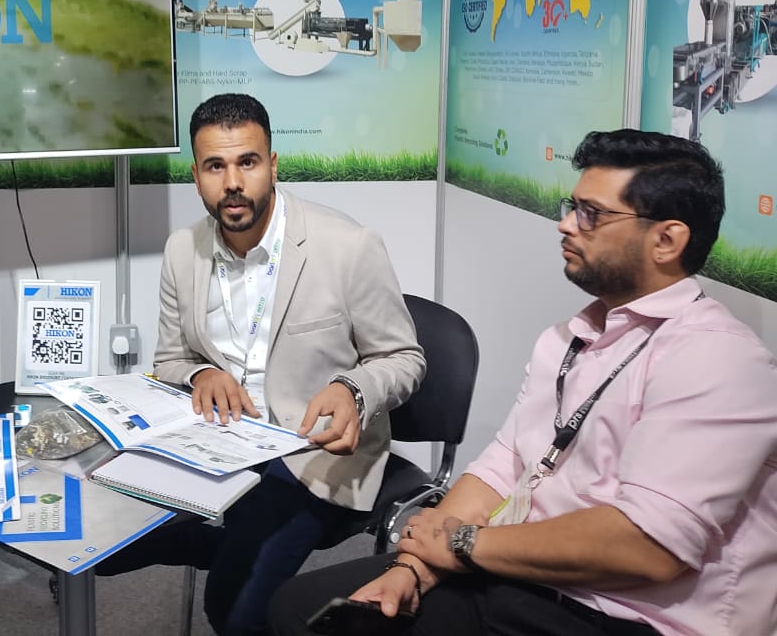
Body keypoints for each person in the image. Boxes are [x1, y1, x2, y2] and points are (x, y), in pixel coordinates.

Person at [269, 129, 777, 636]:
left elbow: (647, 546)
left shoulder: (718, 359)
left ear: (666, 241)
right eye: (572, 207)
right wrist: (414, 568)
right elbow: (504, 463)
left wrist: (462, 544)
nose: (565, 225)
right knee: (301, 610)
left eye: (591, 214)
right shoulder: (567, 340)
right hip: (524, 577)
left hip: (630, 616)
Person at [98, 93, 425, 636]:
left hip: (307, 454)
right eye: (215, 166)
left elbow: (404, 358)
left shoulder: (347, 246)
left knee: (235, 611)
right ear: (196, 176)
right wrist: (203, 374)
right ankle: (213, 542)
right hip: (216, 440)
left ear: (272, 165)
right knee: (108, 536)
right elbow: (171, 359)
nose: (232, 182)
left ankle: (219, 550)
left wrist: (354, 388)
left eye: (247, 162)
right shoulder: (182, 250)